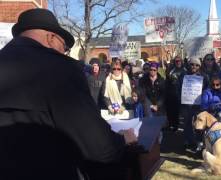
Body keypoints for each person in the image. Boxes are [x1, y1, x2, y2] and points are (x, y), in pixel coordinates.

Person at [0, 9, 137, 180]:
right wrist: (122, 139)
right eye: (64, 47)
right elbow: (100, 148)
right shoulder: (61, 68)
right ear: (51, 38)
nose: (64, 52)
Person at [180, 58, 209, 152]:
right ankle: (188, 142)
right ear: (189, 65)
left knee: (198, 124)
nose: (194, 67)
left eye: (197, 65)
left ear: (199, 66)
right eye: (192, 64)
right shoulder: (183, 76)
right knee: (187, 123)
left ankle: (199, 143)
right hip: (186, 104)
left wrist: (204, 100)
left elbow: (207, 89)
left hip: (198, 105)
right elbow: (178, 88)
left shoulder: (204, 76)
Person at [165, 56, 187, 131]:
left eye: (179, 61)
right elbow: (168, 79)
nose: (178, 62)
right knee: (174, 110)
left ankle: (182, 125)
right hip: (173, 92)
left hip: (182, 92)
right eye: (176, 61)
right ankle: (173, 125)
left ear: (181, 61)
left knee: (182, 111)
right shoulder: (171, 70)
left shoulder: (185, 70)